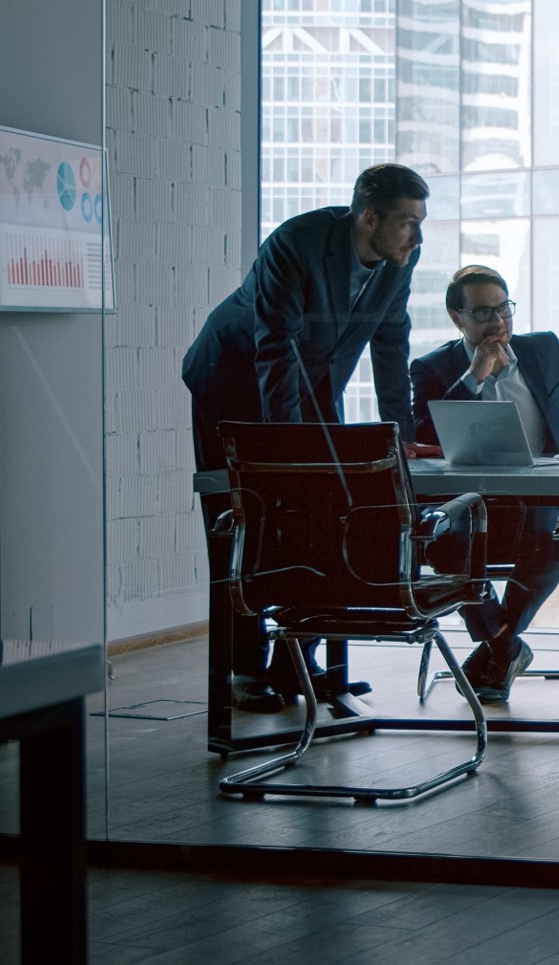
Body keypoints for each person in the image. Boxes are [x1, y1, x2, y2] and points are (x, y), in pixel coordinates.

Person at [182, 163, 430, 712]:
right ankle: (243, 671)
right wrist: (287, 449)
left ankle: (296, 660)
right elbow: (273, 345)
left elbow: (392, 347)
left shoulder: (400, 261)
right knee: (244, 515)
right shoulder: (296, 242)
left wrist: (401, 437)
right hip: (233, 378)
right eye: (408, 222)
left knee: (329, 512)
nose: (418, 234)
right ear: (369, 217)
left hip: (311, 378)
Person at [411, 265, 559, 703]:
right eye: (483, 313)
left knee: (553, 538)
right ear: (456, 317)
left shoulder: (544, 350)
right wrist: (475, 376)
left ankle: (496, 648)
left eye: (504, 308)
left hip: (540, 497)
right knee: (444, 544)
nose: (498, 322)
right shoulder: (432, 368)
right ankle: (505, 648)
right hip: (470, 502)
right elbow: (425, 435)